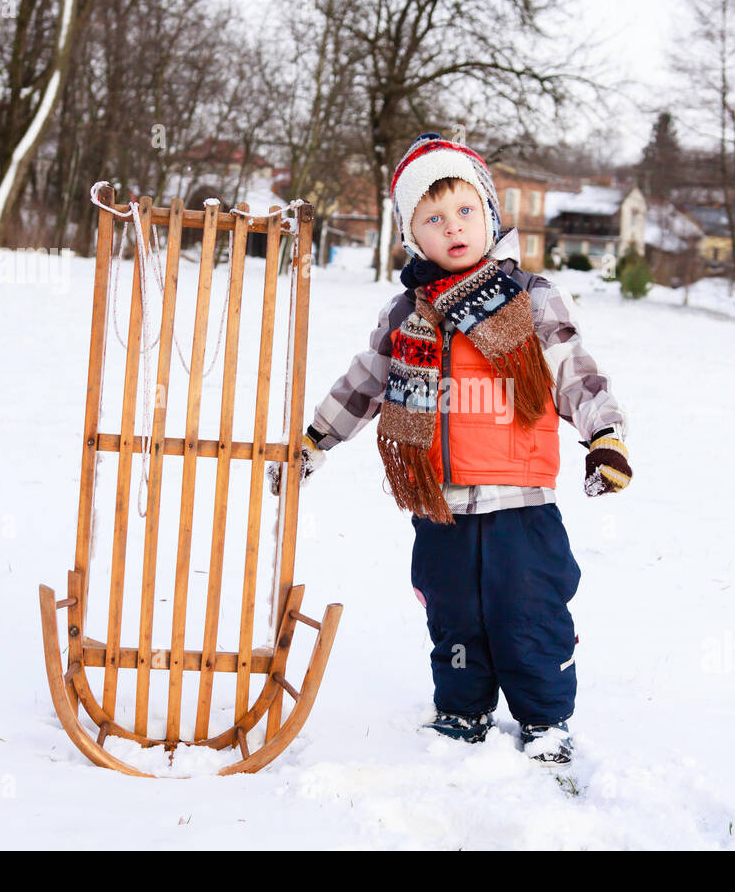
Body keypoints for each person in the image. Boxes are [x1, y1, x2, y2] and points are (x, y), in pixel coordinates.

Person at [266, 133, 632, 766]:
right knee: (454, 614)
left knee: (531, 611)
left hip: (521, 499)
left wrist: (605, 437)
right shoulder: (406, 314)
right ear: (411, 236)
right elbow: (364, 383)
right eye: (432, 218)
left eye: (465, 210)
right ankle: (462, 708)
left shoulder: (531, 297)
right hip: (440, 502)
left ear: (489, 213)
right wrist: (315, 438)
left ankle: (545, 719)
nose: (452, 228)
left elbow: (575, 372)